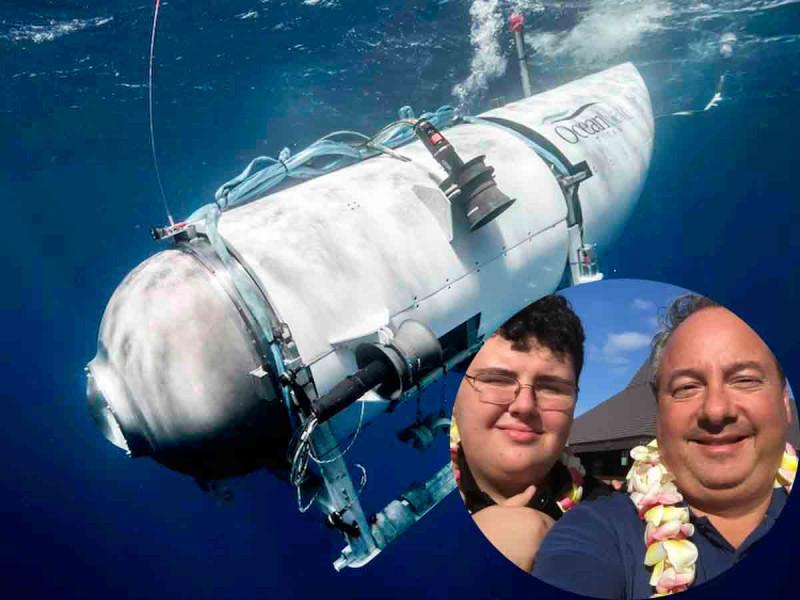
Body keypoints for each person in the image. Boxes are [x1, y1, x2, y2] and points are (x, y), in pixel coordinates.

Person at [533, 294, 797, 598]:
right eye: (687, 387)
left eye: (745, 380)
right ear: (658, 413)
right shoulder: (598, 532)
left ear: (785, 403)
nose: (716, 410)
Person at [450, 294, 611, 572]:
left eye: (551, 388)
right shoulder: (399, 512)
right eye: (497, 380)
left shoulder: (620, 526)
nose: (524, 406)